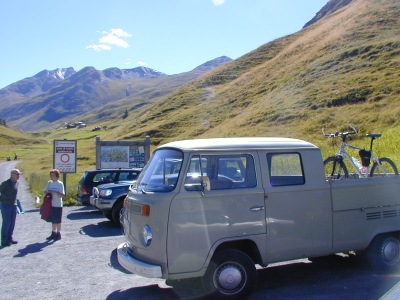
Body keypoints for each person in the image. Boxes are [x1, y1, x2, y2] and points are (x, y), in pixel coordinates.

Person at [0, 169, 20, 247]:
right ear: (12, 174)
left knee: (12, 223)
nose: (18, 176)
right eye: (17, 174)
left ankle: (9, 238)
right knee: (6, 222)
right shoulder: (5, 183)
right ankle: (4, 240)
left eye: (19, 174)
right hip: (5, 205)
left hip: (13, 205)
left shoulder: (17, 183)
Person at [44, 169, 65, 241]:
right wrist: (48, 192)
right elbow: (45, 191)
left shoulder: (60, 184)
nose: (52, 177)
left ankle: (58, 233)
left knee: (58, 220)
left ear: (57, 176)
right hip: (50, 204)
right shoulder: (49, 183)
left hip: (58, 204)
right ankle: (53, 232)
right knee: (53, 220)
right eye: (51, 175)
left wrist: (54, 192)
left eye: (53, 175)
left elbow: (62, 194)